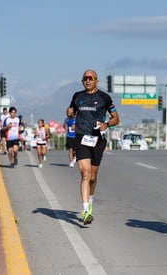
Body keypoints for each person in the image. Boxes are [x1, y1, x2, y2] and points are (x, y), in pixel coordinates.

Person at [67, 69, 119, 225]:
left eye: (91, 78)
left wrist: (107, 124)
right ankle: (85, 211)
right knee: (85, 173)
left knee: (93, 177)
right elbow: (71, 114)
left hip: (97, 139)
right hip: (81, 138)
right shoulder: (77, 96)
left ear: (97, 81)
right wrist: (69, 114)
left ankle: (90, 201)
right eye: (85, 79)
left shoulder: (104, 97)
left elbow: (116, 118)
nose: (87, 81)